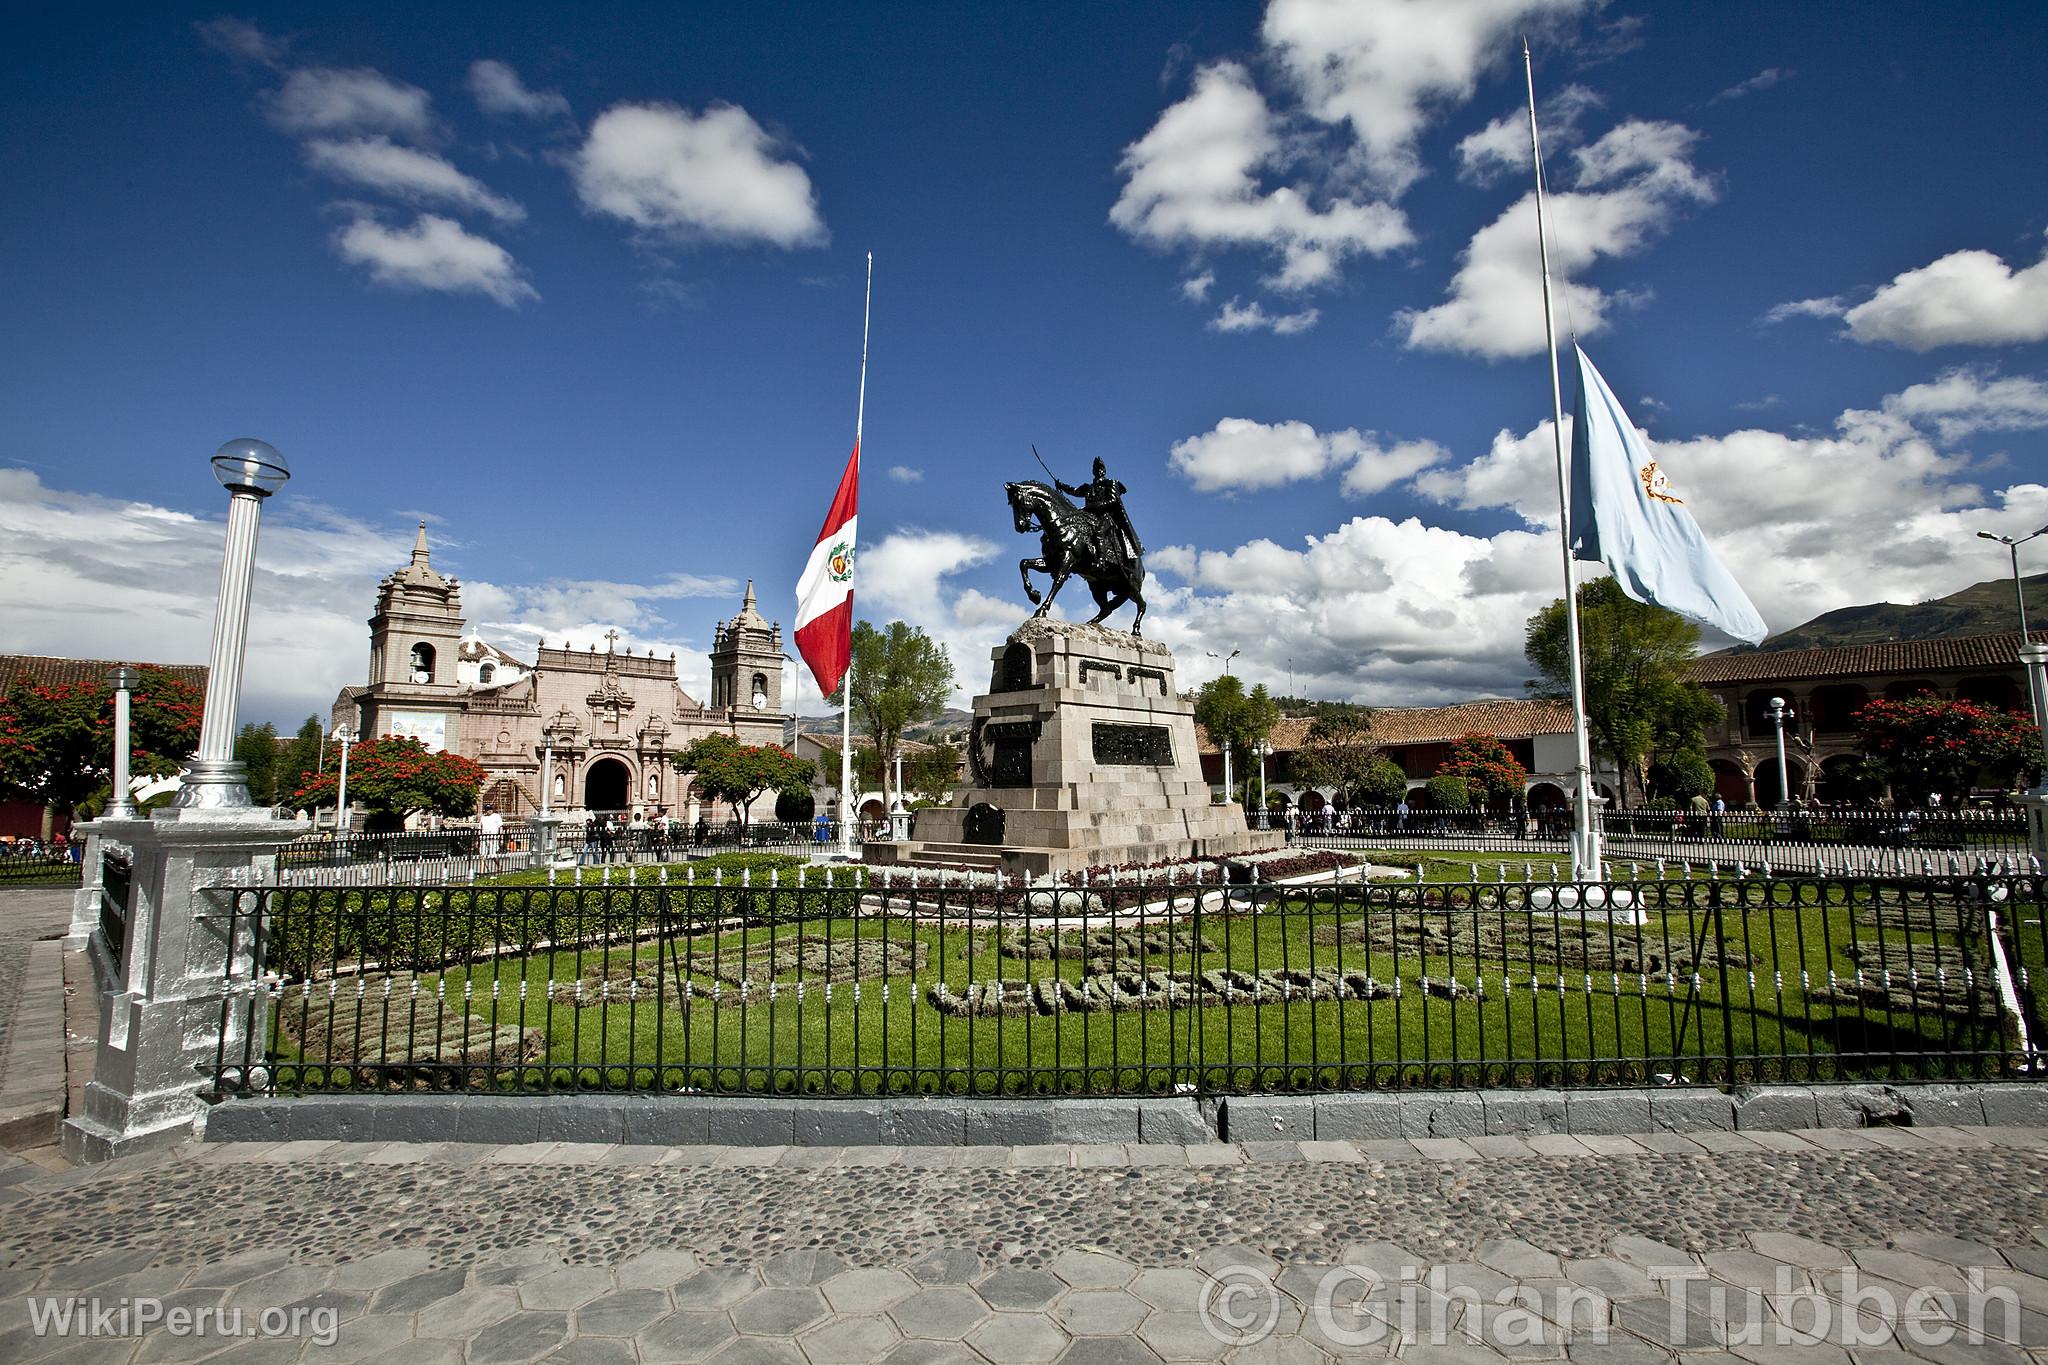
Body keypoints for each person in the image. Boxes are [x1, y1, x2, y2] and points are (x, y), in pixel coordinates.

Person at [1056, 457, 1143, 569]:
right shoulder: (1089, 487)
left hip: (1107, 517)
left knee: (1098, 531)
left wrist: (1093, 506)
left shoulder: (1110, 484)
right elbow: (1075, 491)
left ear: (1104, 471)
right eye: (1096, 468)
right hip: (1090, 516)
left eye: (1101, 468)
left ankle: (1101, 560)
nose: (1098, 471)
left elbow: (1113, 500)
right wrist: (1061, 486)